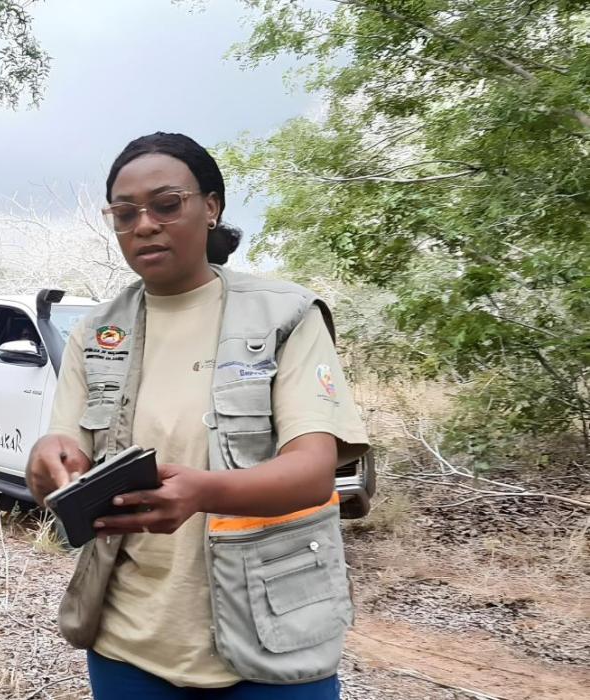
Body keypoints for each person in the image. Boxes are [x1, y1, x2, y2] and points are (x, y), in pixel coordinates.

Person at [26, 132, 369, 699]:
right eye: (125, 212)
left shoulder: (285, 316)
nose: (144, 224)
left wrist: (202, 492)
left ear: (211, 207)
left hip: (271, 643)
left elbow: (312, 474)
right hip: (129, 645)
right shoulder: (97, 333)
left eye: (166, 204)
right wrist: (49, 462)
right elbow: (69, 456)